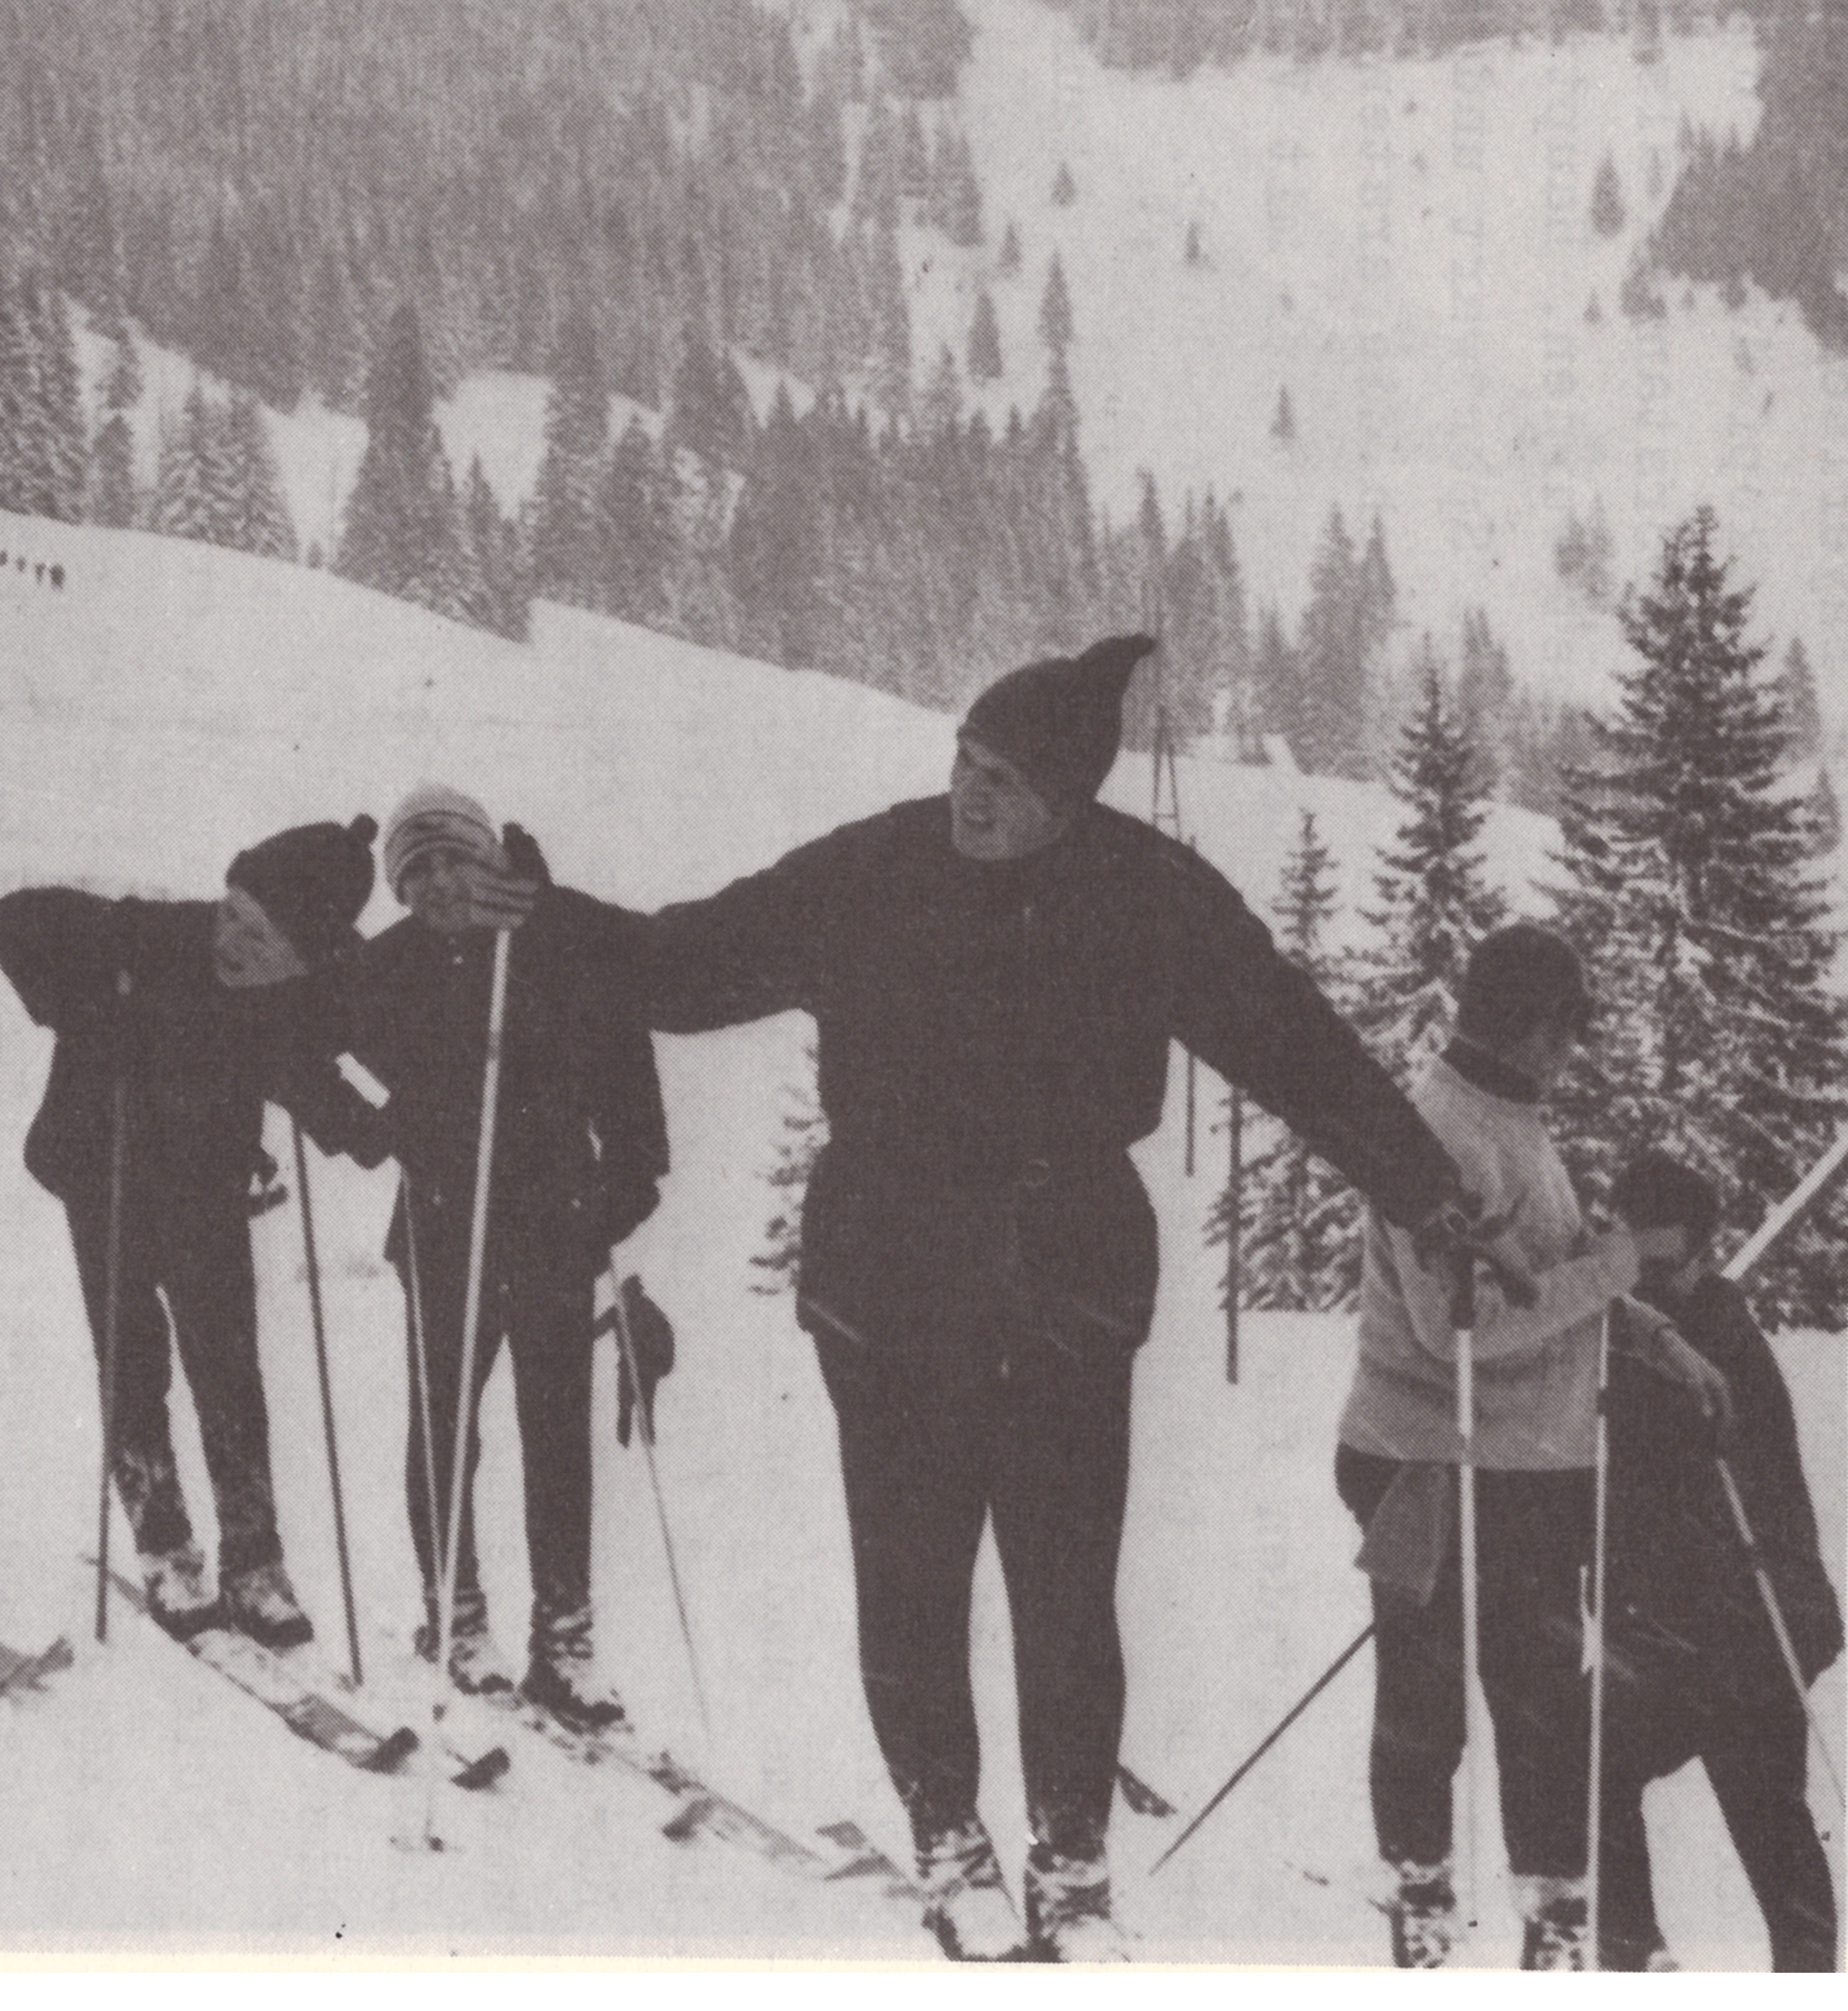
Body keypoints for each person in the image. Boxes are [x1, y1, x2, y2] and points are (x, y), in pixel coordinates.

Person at [467, 635, 1501, 1961]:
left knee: (1066, 1590)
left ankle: (1069, 1864)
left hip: (1064, 1279)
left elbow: (1290, 1042)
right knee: (910, 1580)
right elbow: (690, 961)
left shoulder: (1148, 893)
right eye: (962, 761)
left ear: (1070, 799)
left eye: (1003, 779)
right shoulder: (875, 867)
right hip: (886, 1277)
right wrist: (552, 921)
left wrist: (1418, 1187)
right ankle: (945, 1834)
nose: (968, 794)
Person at [1333, 926, 1732, 1970]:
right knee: (1430, 1703)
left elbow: (1555, 1270)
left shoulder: (1511, 1118)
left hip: (1532, 1472)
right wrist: (1616, 1270)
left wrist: (1655, 1333)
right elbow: (1461, 1331)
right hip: (1437, 1463)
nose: (1573, 1050)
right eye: (1565, 1028)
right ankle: (1423, 1902)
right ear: (1519, 1023)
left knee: (1543, 1708)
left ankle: (1553, 1924)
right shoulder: (1441, 1134)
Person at [0, 818, 385, 1647]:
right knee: (131, 1357)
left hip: (204, 1187)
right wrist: (78, 1004)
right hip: (104, 1169)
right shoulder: (148, 933)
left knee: (229, 1368)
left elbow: (303, 1071)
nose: (236, 941)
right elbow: (15, 918)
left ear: (301, 958)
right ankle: (165, 1545)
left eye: (265, 938)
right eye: (235, 912)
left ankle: (255, 1561)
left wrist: (372, 1131)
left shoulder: (287, 997)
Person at [347, 785, 667, 1729]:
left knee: (556, 1436)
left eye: (456, 859)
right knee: (448, 1425)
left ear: (491, 861)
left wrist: (615, 1196)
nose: (442, 882)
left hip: (556, 1226)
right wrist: (386, 1123)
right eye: (418, 871)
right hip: (445, 1225)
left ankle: (563, 1640)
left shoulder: (561, 952)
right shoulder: (387, 967)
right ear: (400, 891)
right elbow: (332, 1054)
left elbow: (634, 1107)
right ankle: (457, 1614)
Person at [1594, 1152, 1841, 1972]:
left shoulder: (1733, 1352)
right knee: (1579, 1754)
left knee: (1775, 1841)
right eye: (1632, 1265)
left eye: (1664, 1267)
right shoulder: (1617, 1331)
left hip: (1749, 1638)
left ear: (1704, 1255)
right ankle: (1635, 1960)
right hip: (1662, 1635)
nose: (1646, 1285)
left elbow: (1772, 1518)